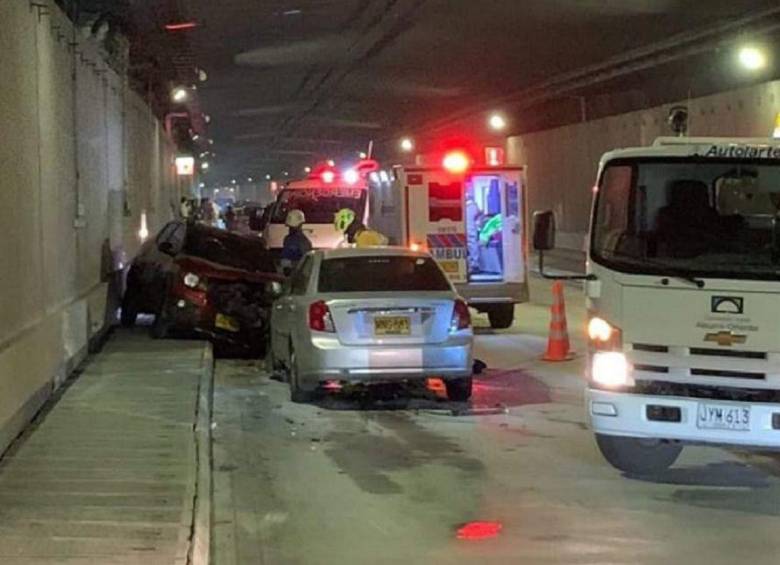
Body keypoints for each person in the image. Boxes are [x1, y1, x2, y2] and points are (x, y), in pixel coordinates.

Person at [280, 209, 312, 274]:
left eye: (291, 227)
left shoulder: (303, 242)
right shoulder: (288, 239)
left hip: (297, 274)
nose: (290, 229)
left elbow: (307, 263)